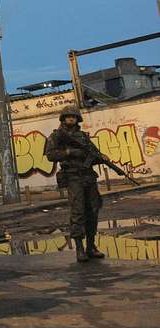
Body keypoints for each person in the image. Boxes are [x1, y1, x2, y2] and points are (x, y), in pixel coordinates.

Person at [44, 106, 105, 262]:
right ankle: (79, 249)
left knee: (93, 210)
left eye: (74, 116)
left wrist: (100, 157)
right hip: (73, 178)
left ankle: (91, 246)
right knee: (78, 212)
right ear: (63, 119)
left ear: (78, 119)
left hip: (88, 177)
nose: (71, 119)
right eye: (68, 116)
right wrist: (69, 153)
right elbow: (50, 155)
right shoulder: (57, 136)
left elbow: (94, 154)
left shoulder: (84, 137)